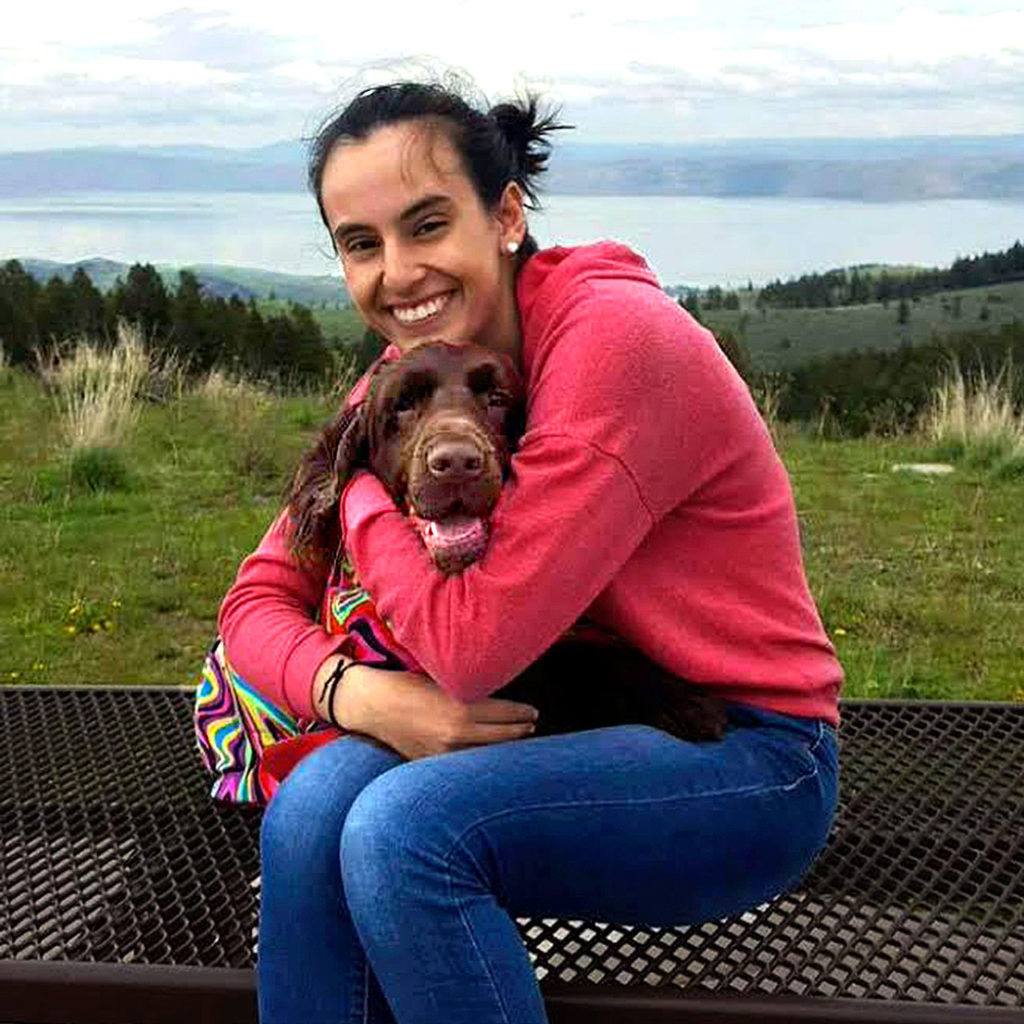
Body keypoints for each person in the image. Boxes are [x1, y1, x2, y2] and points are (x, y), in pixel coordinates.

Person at [217, 78, 843, 1024]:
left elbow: (473, 652)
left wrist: (358, 502)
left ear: (506, 213)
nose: (399, 273)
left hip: (745, 753)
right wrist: (362, 694)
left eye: (428, 225)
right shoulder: (406, 380)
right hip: (571, 711)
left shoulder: (617, 346)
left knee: (404, 833)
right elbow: (254, 603)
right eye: (361, 244)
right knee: (314, 809)